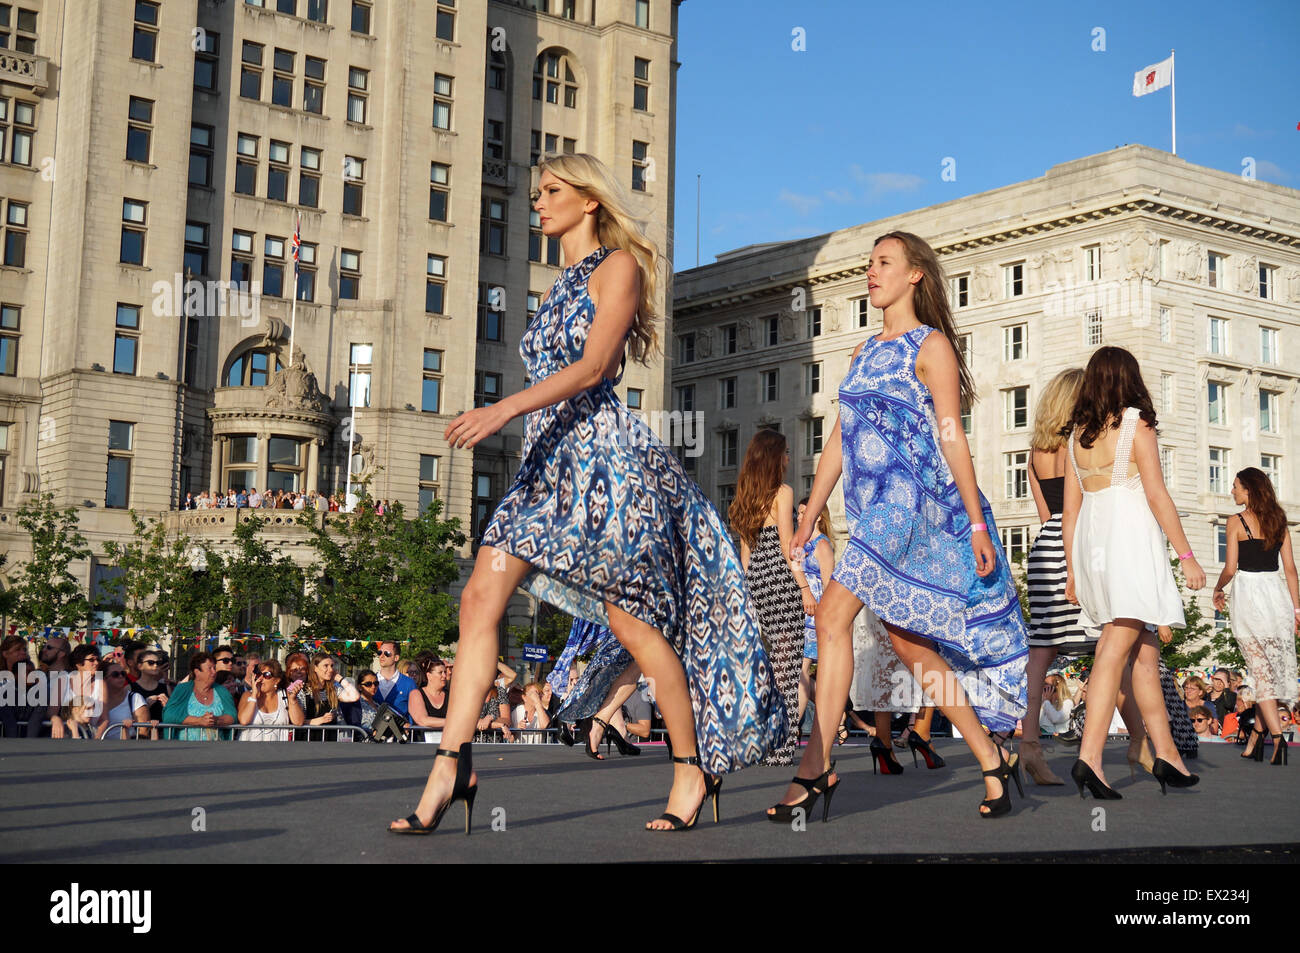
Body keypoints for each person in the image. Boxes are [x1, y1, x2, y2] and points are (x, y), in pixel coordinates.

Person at [390, 152, 784, 836]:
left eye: (551, 191)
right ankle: (452, 763)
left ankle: (690, 766)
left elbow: (596, 365)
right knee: (477, 598)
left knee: (632, 625)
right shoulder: (557, 284)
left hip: (605, 469)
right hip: (546, 466)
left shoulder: (617, 269)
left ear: (589, 201)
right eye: (537, 192)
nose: (537, 202)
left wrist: (503, 409)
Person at [784, 231, 1028, 821]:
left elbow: (951, 436)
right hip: (869, 513)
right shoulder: (863, 353)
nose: (871, 272)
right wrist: (812, 512)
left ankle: (814, 767)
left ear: (915, 274)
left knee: (833, 616)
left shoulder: (932, 345)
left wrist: (975, 522)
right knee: (907, 642)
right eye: (869, 264)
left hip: (913, 507)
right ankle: (992, 760)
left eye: (884, 263)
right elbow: (838, 440)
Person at [1063, 346, 1204, 797]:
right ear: (1130, 378)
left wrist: (1073, 571)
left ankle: (1167, 754)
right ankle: (1090, 758)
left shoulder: (1076, 434)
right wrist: (1187, 556)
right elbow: (1157, 494)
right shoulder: (1135, 423)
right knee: (1113, 647)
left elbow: (1070, 511)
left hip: (1092, 544)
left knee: (1145, 654)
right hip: (1128, 541)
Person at [1020, 367, 1090, 785]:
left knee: (1041, 651)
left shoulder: (1034, 454)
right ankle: (1117, 744)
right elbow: (1076, 513)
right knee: (1110, 644)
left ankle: (1029, 745)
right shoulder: (1078, 446)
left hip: (1043, 548)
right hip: (1075, 545)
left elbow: (1046, 516)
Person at [730, 430, 811, 767]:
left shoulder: (745, 497)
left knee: (764, 669)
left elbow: (745, 554)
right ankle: (781, 746)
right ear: (775, 457)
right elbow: (788, 546)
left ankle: (760, 742)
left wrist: (746, 593)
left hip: (756, 585)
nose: (789, 458)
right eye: (786, 452)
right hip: (781, 582)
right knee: (788, 669)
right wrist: (804, 587)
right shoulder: (783, 493)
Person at [1212, 467, 1299, 765]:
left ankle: (1277, 740)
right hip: (1276, 598)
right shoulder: (1279, 521)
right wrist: (1297, 610)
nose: (1232, 491)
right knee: (1269, 674)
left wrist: (1218, 588)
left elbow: (1230, 568)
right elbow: (1290, 570)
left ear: (1248, 489)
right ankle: (1255, 740)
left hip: (1249, 598)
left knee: (1262, 675)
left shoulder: (1235, 521)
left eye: (1235, 486)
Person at [795, 498, 835, 735]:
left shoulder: (822, 546)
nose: (799, 517)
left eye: (803, 513)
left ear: (818, 516)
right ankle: (839, 713)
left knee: (802, 669)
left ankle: (791, 730)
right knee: (799, 671)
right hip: (798, 610)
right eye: (799, 513)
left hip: (813, 612)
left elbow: (829, 583)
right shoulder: (801, 541)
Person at [163, 652, 237, 740]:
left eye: (214, 668)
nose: (214, 672)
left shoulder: (222, 691)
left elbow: (232, 716)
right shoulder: (182, 689)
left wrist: (216, 720)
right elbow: (169, 715)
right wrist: (198, 721)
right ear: (197, 672)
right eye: (210, 668)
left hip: (216, 749)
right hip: (185, 749)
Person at [238, 659, 305, 741]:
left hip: (278, 750)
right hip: (250, 750)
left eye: (266, 675)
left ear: (277, 680)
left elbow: (298, 722)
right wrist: (254, 694)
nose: (261, 679)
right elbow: (244, 721)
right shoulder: (248, 695)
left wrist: (293, 700)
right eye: (259, 674)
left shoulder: (285, 696)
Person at [94, 661, 149, 740]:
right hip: (96, 747)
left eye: (123, 674)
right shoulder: (94, 698)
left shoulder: (135, 698)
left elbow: (143, 731)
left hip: (125, 748)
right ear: (104, 679)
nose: (121, 677)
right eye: (115, 674)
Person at [407, 653, 449, 743]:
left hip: (446, 743)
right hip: (421, 745)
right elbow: (423, 720)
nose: (444, 676)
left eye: (445, 672)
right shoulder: (416, 694)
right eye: (440, 673)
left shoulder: (451, 695)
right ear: (429, 675)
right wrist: (453, 723)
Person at [373, 642, 417, 721]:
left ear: (396, 658)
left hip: (400, 732)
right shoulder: (369, 682)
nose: (382, 656)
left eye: (387, 653)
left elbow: (415, 714)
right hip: (373, 732)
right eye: (379, 652)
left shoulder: (409, 683)